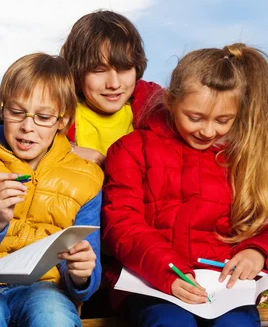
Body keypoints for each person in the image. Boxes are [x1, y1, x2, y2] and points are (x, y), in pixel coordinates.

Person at [102, 44, 268, 326]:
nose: (208, 131)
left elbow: (261, 218)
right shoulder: (130, 149)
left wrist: (257, 251)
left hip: (224, 289)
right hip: (153, 284)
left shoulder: (245, 158)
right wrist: (169, 272)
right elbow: (122, 224)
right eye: (195, 118)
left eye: (223, 121)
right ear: (169, 101)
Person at [0, 53, 104, 326]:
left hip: (46, 288)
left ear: (63, 120)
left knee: (54, 318)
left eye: (43, 117)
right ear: (2, 110)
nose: (28, 126)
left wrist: (82, 274)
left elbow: (86, 273)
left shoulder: (87, 178)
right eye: (17, 112)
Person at [60, 10, 162, 167]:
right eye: (99, 71)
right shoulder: (58, 110)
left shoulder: (155, 108)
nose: (114, 84)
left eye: (124, 68)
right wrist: (67, 151)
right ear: (77, 73)